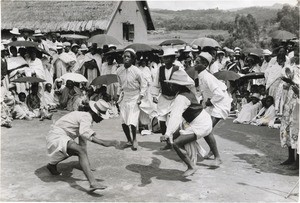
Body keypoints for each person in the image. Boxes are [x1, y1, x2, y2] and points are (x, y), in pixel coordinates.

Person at [45, 99, 119, 192]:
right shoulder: (86, 117)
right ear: (95, 113)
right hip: (56, 136)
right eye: (101, 116)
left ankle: (52, 165)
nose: (102, 119)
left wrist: (86, 163)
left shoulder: (83, 116)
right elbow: (84, 133)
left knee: (79, 149)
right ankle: (93, 182)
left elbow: (83, 142)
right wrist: (103, 142)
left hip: (58, 136)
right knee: (79, 150)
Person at [160, 69, 212, 176]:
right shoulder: (187, 92)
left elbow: (175, 116)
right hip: (203, 120)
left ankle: (191, 166)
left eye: (173, 84)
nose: (170, 87)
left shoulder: (181, 97)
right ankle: (190, 158)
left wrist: (167, 133)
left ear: (178, 86)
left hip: (200, 125)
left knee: (176, 143)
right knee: (175, 136)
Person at [195, 52, 233, 166]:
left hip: (221, 103)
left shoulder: (207, 77)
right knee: (206, 128)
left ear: (205, 64)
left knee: (207, 129)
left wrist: (209, 102)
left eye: (197, 62)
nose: (194, 64)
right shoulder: (201, 75)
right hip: (213, 103)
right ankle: (213, 151)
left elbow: (219, 95)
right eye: (195, 61)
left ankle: (217, 157)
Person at [151, 48, 185, 150]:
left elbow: (184, 83)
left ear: (173, 59)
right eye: (164, 58)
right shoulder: (160, 69)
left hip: (175, 98)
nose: (166, 60)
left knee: (176, 120)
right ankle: (167, 142)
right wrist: (154, 95)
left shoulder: (178, 69)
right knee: (161, 119)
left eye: (168, 58)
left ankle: (177, 141)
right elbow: (156, 84)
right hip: (164, 98)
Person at [116, 48, 147, 150]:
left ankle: (134, 139)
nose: (125, 58)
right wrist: (117, 95)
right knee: (124, 120)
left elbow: (144, 85)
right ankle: (128, 140)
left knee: (133, 121)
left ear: (133, 59)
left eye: (128, 56)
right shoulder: (119, 70)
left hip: (135, 96)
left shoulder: (137, 71)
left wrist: (140, 97)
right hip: (125, 96)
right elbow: (119, 85)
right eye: (124, 56)